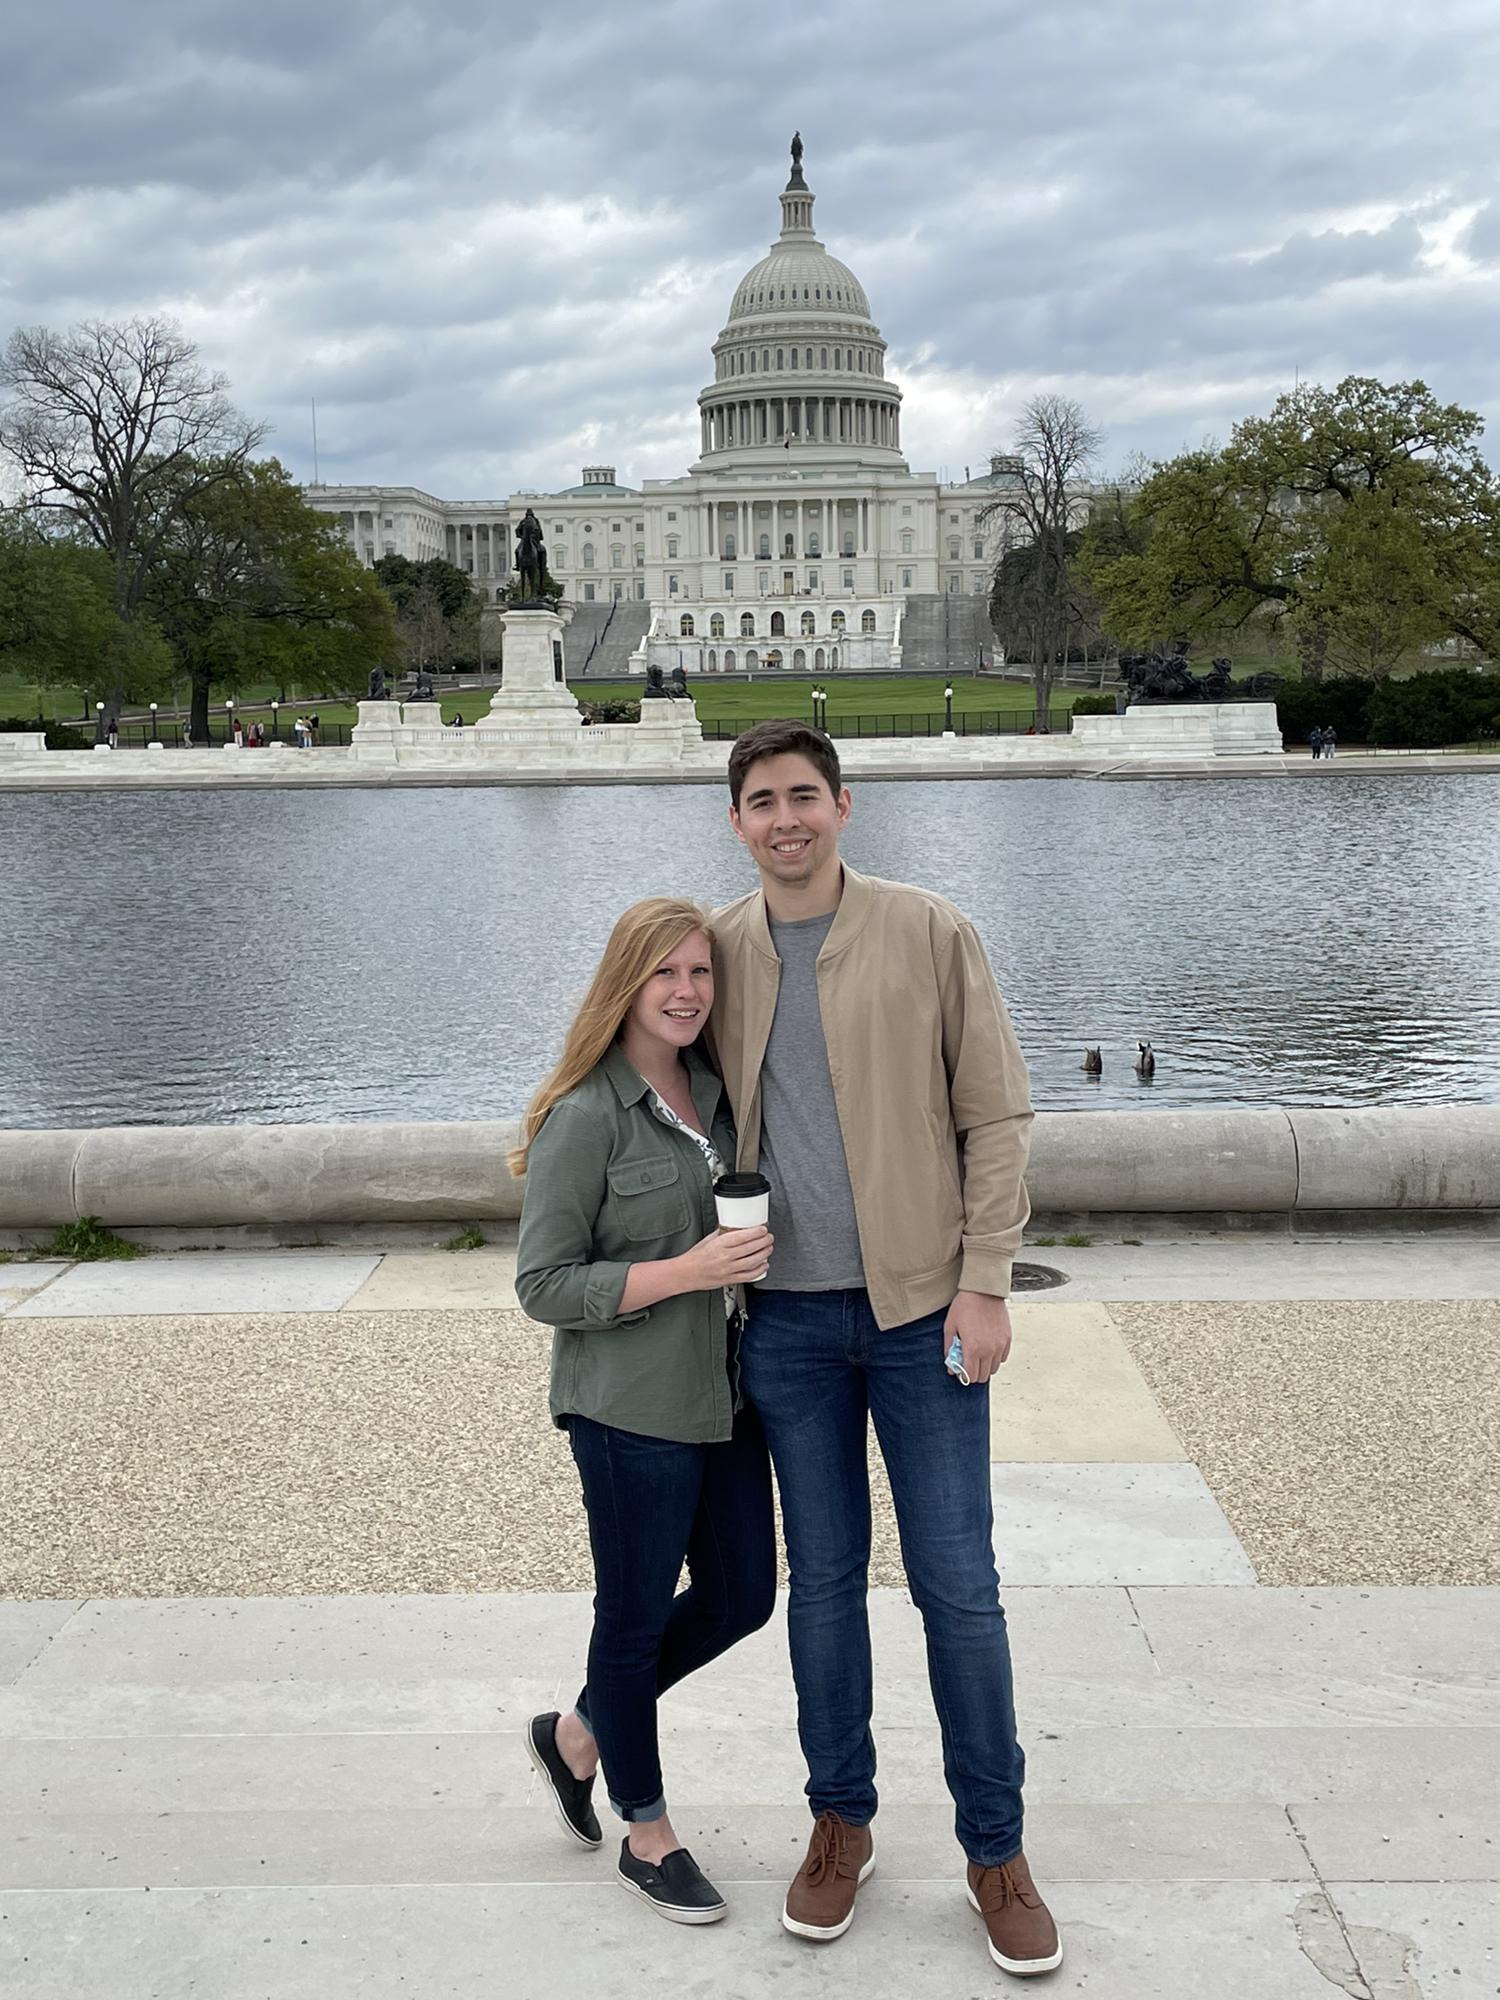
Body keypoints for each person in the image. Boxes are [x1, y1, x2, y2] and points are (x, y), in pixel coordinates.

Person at [709, 719, 1062, 1978]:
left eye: (805, 794)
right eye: (763, 800)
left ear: (845, 808)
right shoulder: (718, 953)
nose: (786, 817)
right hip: (789, 1323)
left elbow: (998, 1112)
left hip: (924, 1314)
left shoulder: (929, 927)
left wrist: (987, 1283)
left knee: (959, 1586)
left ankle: (996, 1847)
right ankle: (838, 1820)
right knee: (822, 1584)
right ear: (737, 821)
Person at [514, 899, 777, 1928]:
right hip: (627, 1408)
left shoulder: (713, 1093)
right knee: (628, 1617)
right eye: (664, 972)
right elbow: (542, 1283)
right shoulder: (584, 1114)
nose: (685, 990)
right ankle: (646, 1828)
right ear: (625, 982)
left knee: (743, 1593)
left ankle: (578, 1731)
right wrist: (686, 1269)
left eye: (701, 973)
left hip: (723, 1395)